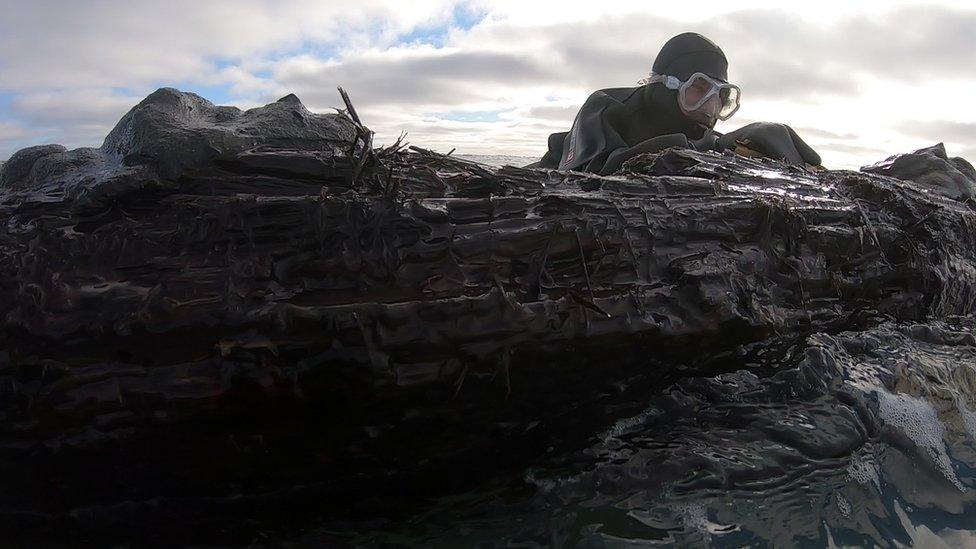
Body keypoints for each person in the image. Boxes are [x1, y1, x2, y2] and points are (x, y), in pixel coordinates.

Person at [528, 32, 821, 174]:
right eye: (699, 89)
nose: (710, 108)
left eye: (721, 97)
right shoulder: (604, 106)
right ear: (668, 85)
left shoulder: (700, 134)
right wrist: (714, 149)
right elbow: (583, 177)